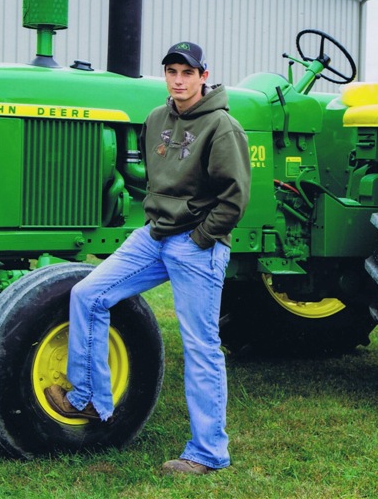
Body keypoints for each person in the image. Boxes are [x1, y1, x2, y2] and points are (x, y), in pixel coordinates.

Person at [45, 41, 251, 475]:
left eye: (187, 72)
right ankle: (89, 399)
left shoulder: (222, 126)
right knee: (89, 294)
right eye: (172, 71)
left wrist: (200, 238)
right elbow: (153, 181)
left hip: (196, 244)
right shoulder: (157, 118)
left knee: (200, 346)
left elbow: (234, 198)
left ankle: (208, 452)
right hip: (154, 235)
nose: (178, 80)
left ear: (203, 76)